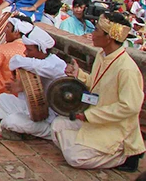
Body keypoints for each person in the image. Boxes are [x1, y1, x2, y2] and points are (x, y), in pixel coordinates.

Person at [54, 12, 145, 171]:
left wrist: (90, 116)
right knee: (57, 125)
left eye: (96, 30)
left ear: (108, 37)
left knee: (75, 158)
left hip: (115, 128)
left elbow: (130, 107)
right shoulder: (102, 55)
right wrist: (78, 75)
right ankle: (84, 146)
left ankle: (124, 156)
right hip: (95, 119)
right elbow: (96, 84)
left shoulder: (127, 69)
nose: (92, 34)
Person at [0, 26, 66, 140]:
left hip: (49, 118)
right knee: (2, 99)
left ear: (41, 50)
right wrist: (20, 87)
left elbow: (16, 61)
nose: (25, 52)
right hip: (34, 109)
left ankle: (37, 130)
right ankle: (26, 128)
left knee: (9, 122)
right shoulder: (40, 62)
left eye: (29, 50)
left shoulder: (55, 65)